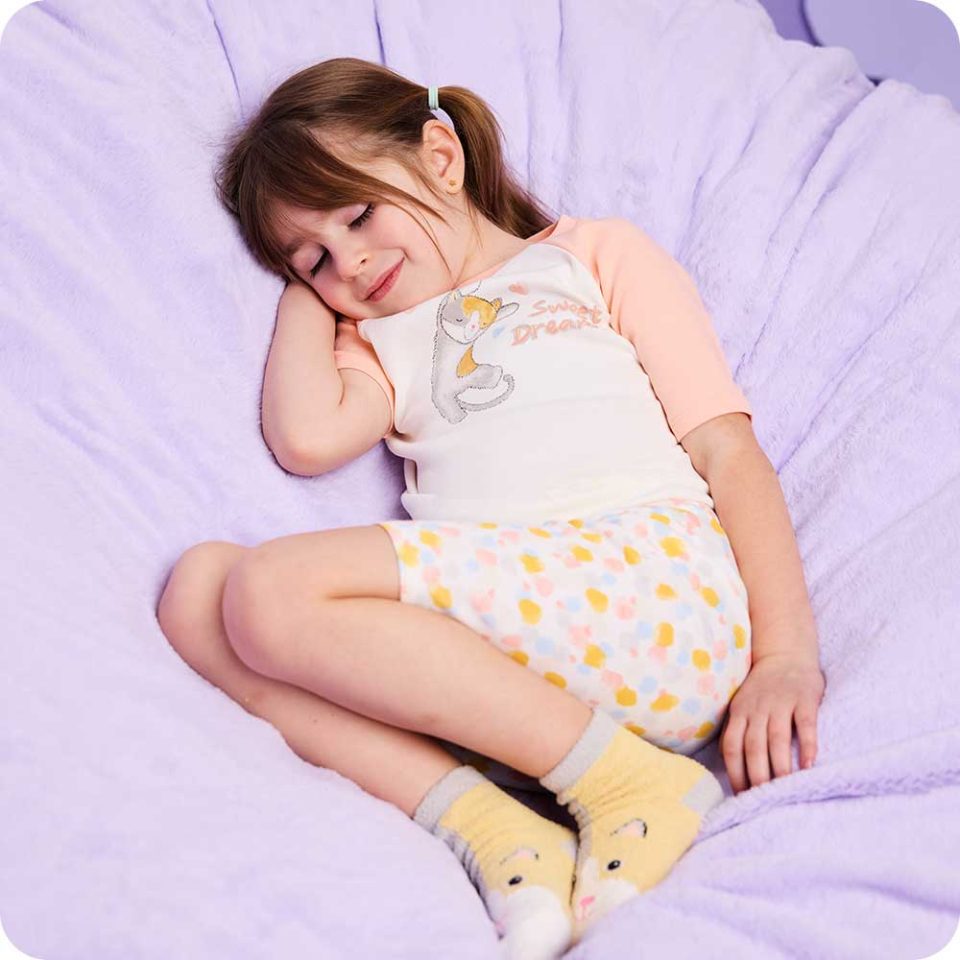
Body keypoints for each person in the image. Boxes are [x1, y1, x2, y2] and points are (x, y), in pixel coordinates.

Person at [157, 57, 825, 959]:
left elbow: (727, 451)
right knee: (198, 592)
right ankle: (500, 827)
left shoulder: (587, 257)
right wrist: (307, 291)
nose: (351, 262)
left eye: (358, 215)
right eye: (314, 258)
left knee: (269, 590)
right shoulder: (376, 339)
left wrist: (786, 657)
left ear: (441, 158)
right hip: (500, 683)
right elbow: (306, 437)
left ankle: (633, 785)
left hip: (653, 595)